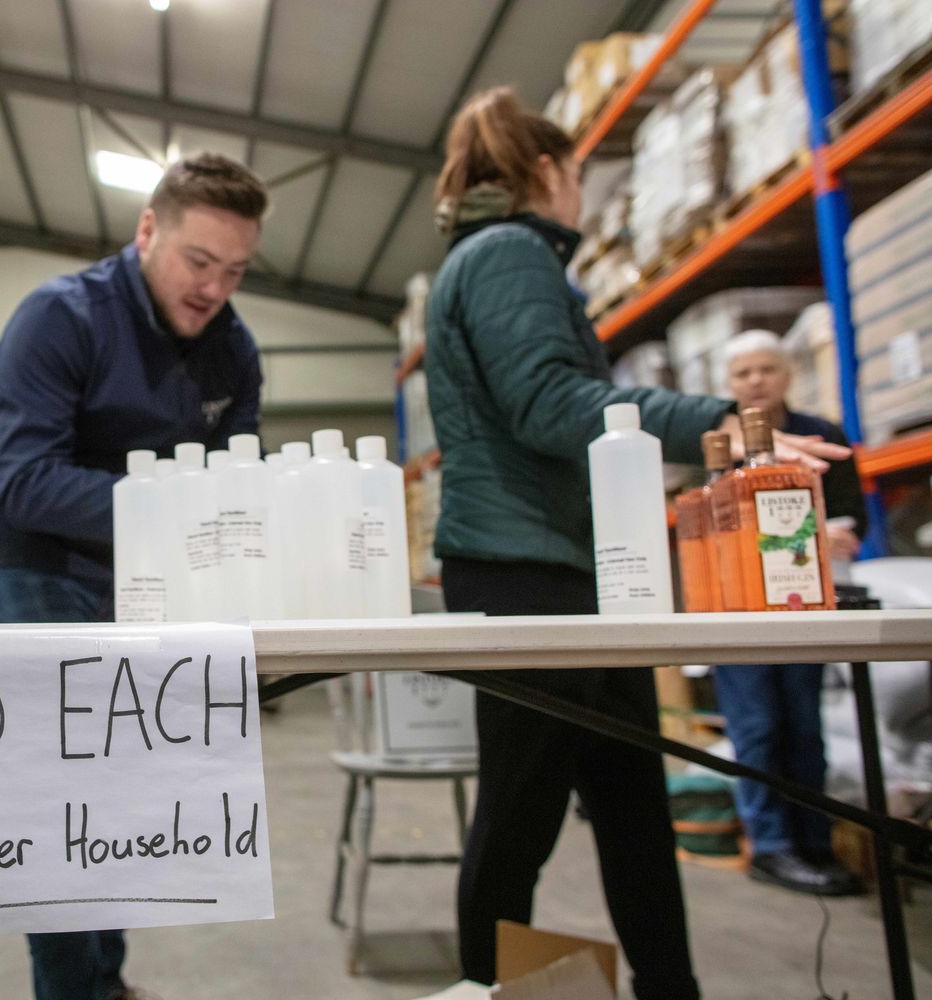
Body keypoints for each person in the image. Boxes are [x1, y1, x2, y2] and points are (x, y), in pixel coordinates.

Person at [422, 87, 850, 999]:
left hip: (565, 565)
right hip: (523, 571)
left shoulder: (503, 256)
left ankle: (669, 987)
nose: (582, 197)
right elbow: (551, 407)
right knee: (521, 816)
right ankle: (481, 988)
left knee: (630, 805)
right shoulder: (508, 254)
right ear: (549, 172)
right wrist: (717, 422)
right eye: (579, 177)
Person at [0, 151, 267, 1000]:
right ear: (147, 230)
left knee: (122, 786)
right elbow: (25, 481)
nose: (213, 289)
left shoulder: (233, 352)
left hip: (137, 565)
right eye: (199, 263)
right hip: (19, 555)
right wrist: (180, 510)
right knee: (57, 796)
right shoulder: (60, 317)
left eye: (234, 272)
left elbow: (237, 487)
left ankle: (105, 981)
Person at [713, 329, 866, 895]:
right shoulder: (716, 445)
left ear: (787, 374)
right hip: (736, 612)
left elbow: (852, 517)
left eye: (766, 369)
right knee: (757, 727)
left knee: (805, 728)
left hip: (802, 604)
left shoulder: (821, 436)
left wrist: (830, 532)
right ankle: (771, 846)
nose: (755, 380)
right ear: (728, 385)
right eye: (743, 373)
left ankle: (816, 843)